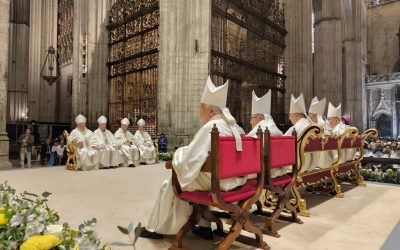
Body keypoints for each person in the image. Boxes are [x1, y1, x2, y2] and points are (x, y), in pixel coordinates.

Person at [140, 76, 246, 240]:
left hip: (220, 182)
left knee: (172, 182)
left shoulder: (212, 127)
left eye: (201, 107)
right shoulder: (235, 128)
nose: (199, 110)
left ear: (211, 110)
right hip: (235, 179)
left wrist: (177, 154)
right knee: (194, 176)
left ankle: (156, 228)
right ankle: (204, 226)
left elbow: (190, 159)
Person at [247, 90, 283, 178]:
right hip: (279, 171)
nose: (250, 121)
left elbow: (248, 152)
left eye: (252, 118)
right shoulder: (276, 130)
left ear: (259, 118)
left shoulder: (262, 131)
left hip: (262, 172)